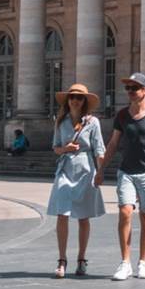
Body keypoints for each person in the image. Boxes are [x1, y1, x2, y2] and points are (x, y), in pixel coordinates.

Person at [94, 72, 145, 281]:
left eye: (134, 88)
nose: (130, 91)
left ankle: (143, 262)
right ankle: (125, 262)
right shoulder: (122, 116)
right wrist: (101, 170)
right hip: (126, 171)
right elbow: (112, 144)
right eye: (128, 88)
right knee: (125, 212)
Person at [47, 83, 107, 278]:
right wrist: (65, 149)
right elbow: (55, 147)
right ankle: (62, 259)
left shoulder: (93, 122)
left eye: (79, 98)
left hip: (85, 168)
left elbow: (99, 148)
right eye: (72, 97)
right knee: (62, 213)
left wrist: (100, 171)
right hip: (65, 167)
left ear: (84, 102)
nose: (75, 100)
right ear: (67, 100)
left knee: (83, 215)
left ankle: (81, 259)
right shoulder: (60, 121)